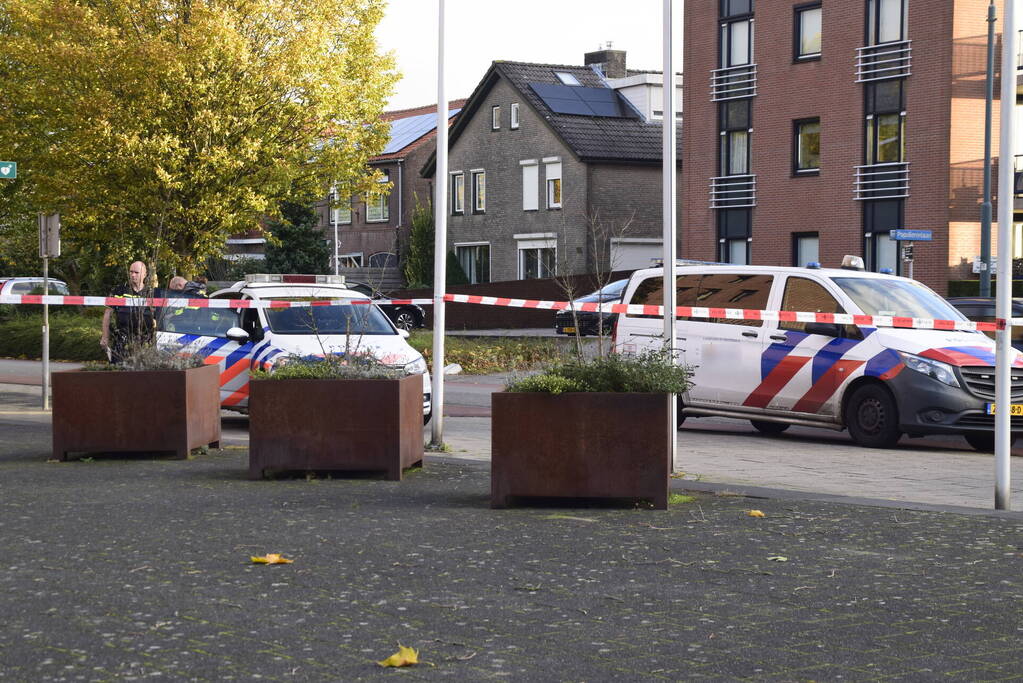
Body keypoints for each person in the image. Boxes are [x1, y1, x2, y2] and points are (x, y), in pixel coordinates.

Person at [100, 261, 156, 363]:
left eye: (136, 272)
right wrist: (105, 336)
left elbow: (159, 317)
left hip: (145, 340)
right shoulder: (119, 291)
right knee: (117, 371)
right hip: (122, 339)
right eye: (131, 272)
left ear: (145, 274)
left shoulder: (152, 293)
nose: (133, 275)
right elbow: (107, 314)